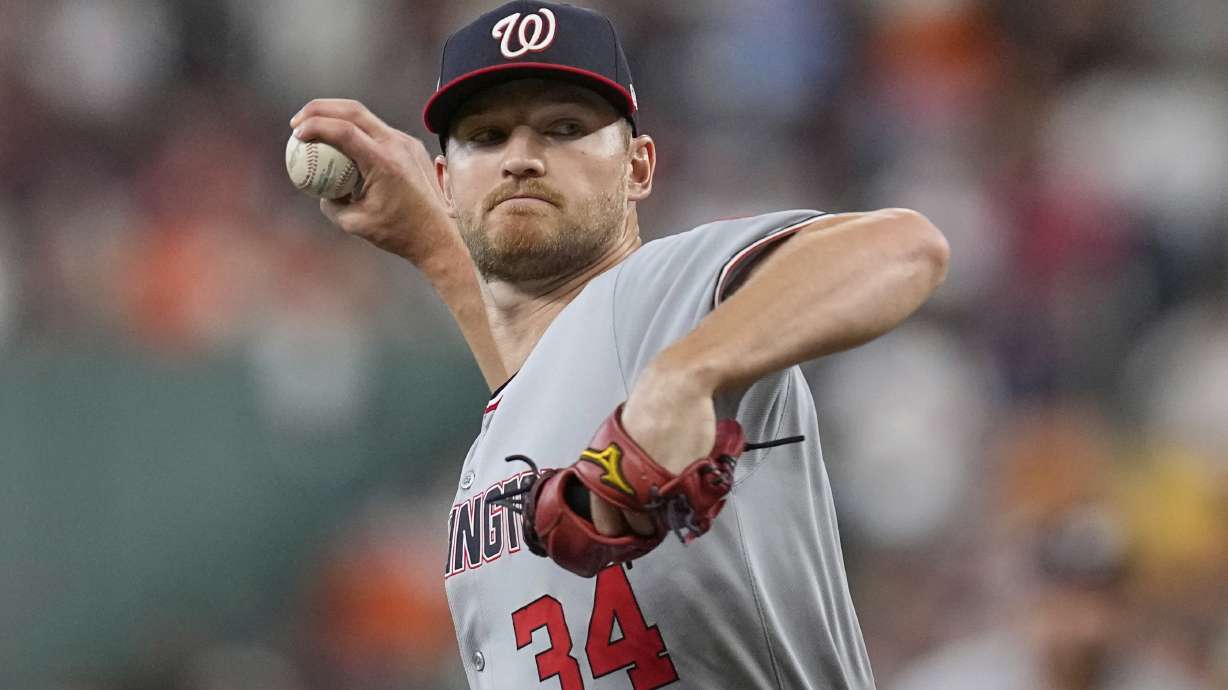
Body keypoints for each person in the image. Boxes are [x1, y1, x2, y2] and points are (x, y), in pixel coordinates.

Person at [288, 2, 949, 687]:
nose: (520, 159)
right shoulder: (506, 423)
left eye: (565, 129)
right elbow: (542, 384)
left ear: (638, 167)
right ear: (446, 184)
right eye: (486, 136)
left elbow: (902, 246)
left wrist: (689, 374)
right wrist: (433, 245)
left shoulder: (665, 292)